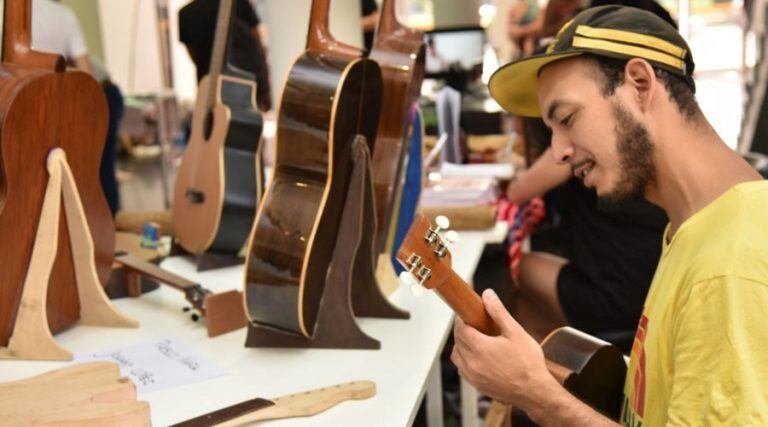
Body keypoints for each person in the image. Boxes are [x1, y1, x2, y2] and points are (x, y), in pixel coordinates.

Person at [454, 5, 768, 425]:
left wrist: (537, 394)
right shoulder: (692, 225)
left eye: (567, 119)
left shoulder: (730, 267)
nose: (561, 151)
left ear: (639, 83)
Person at [179, 0, 272, 111]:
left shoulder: (185, 14)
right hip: (248, 82)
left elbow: (194, 56)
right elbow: (257, 42)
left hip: (212, 87)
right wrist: (266, 87)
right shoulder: (235, 3)